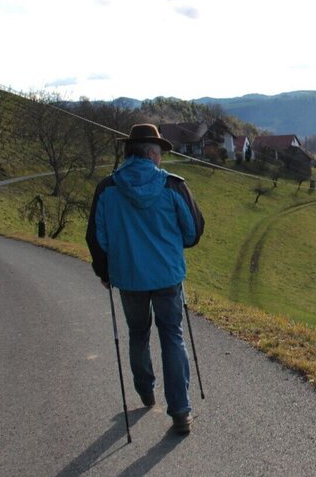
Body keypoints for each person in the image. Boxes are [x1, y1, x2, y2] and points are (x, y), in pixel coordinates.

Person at [86, 123, 203, 435]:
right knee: (172, 336)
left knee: (138, 334)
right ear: (153, 153)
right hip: (167, 276)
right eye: (161, 153)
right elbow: (193, 233)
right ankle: (180, 411)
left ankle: (146, 391)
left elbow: (97, 239)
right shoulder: (174, 186)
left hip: (128, 278)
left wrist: (105, 272)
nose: (162, 159)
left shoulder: (107, 188)